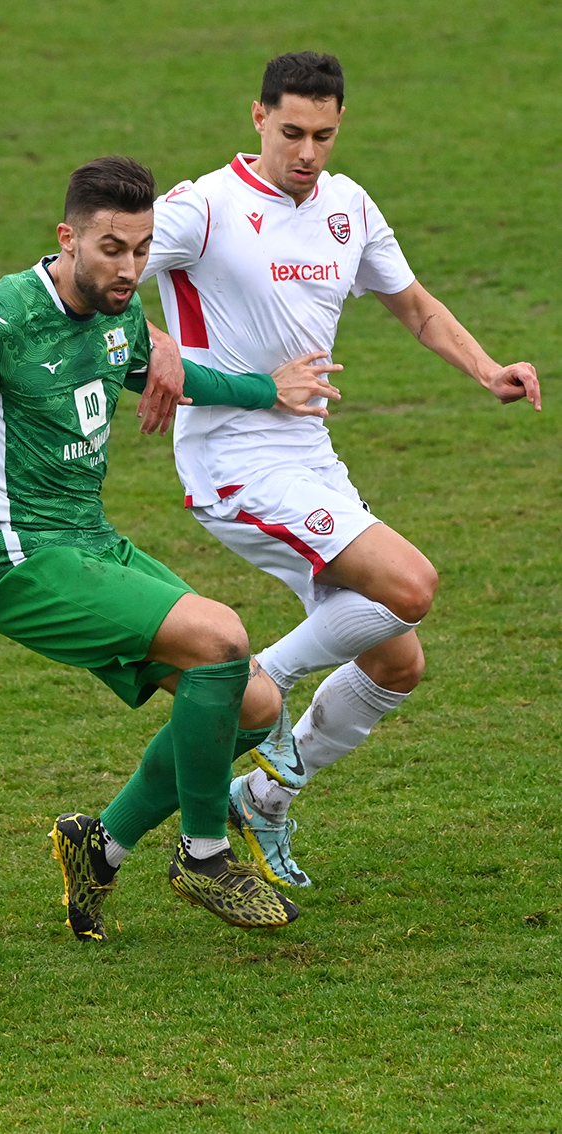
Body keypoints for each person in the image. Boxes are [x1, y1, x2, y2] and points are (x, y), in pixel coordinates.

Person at [0, 156, 341, 941]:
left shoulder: (117, 310)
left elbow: (170, 375)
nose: (130, 267)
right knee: (222, 636)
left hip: (91, 543)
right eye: (111, 249)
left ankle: (100, 848)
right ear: (67, 239)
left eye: (141, 250)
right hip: (19, 561)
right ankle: (203, 856)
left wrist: (267, 389)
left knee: (252, 704)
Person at [141, 52, 541, 888]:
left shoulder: (348, 207)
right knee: (411, 586)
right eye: (292, 132)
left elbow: (416, 305)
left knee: (397, 663)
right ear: (257, 118)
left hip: (312, 457)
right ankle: (265, 684)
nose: (308, 151)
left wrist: (487, 369)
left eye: (324, 134)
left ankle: (264, 801)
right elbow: (93, 273)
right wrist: (157, 343)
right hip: (234, 462)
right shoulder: (201, 208)